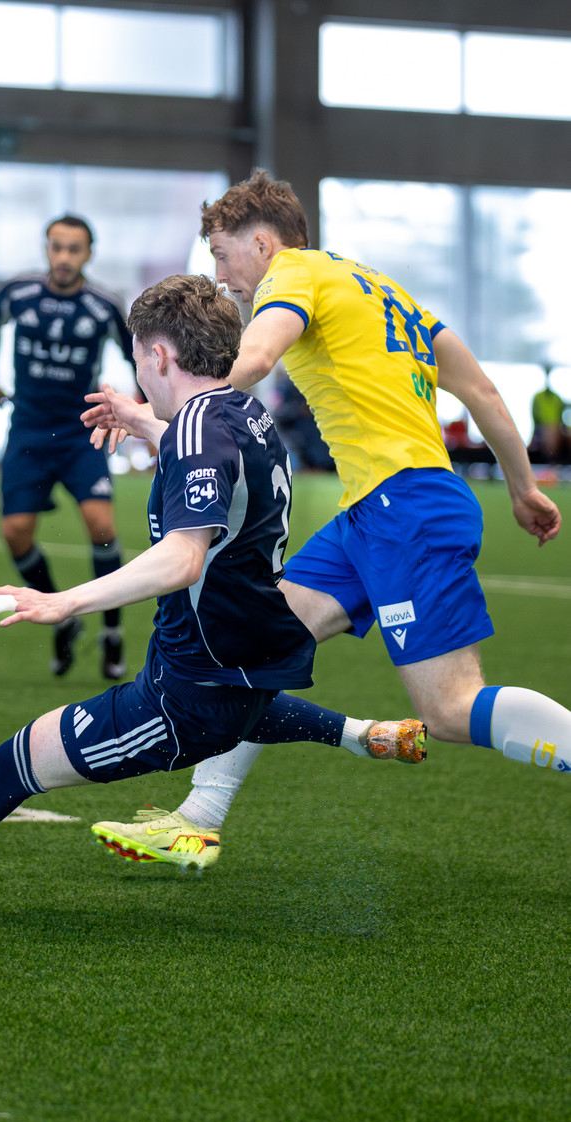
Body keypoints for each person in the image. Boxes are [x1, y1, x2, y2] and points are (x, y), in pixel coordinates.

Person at [0, 275, 420, 875]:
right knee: (241, 713)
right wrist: (143, 422)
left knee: (19, 760)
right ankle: (360, 735)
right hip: (249, 661)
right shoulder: (243, 414)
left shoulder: (197, 433)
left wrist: (64, 602)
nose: (137, 372)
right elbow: (211, 458)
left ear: (159, 357)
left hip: (182, 695)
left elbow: (184, 557)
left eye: (137, 357)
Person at [85, 170, 569, 870]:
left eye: (221, 254)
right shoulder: (384, 291)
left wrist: (166, 406)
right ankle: (197, 820)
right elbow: (484, 392)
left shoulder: (293, 274)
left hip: (405, 509)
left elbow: (255, 357)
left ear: (262, 243)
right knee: (256, 644)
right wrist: (523, 489)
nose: (220, 276)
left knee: (450, 710)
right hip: (375, 512)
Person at [0, 214, 136, 679]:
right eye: (57, 247)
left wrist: (142, 407)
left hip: (80, 432)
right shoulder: (18, 293)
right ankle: (61, 616)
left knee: (101, 525)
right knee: (15, 533)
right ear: (47, 249)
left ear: (88, 254)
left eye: (74, 249)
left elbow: (137, 354)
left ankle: (112, 632)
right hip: (28, 431)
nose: (64, 257)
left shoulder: (104, 305)